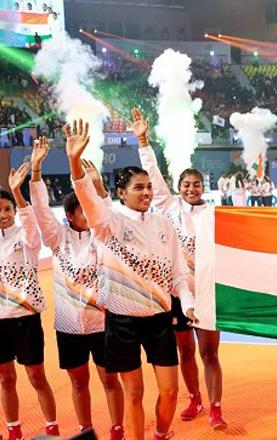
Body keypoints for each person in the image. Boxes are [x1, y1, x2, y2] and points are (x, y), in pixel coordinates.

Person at [66, 119, 197, 440]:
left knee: (169, 391)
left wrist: (189, 304)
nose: (147, 193)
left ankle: (162, 434)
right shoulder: (108, 223)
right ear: (120, 193)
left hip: (161, 320)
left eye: (149, 187)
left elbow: (179, 273)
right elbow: (87, 197)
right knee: (134, 393)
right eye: (138, 188)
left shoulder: (164, 224)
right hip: (122, 322)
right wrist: (74, 162)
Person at [132, 108, 225, 430]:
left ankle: (215, 407)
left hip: (208, 291)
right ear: (179, 186)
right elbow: (152, 173)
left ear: (203, 186)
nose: (190, 189)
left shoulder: (214, 214)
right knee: (185, 350)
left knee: (210, 353)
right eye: (186, 184)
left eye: (196, 184)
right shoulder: (169, 205)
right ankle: (195, 397)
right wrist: (143, 140)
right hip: (176, 292)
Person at [29, 137, 124, 439]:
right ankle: (85, 430)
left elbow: (107, 214)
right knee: (78, 382)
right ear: (70, 215)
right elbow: (42, 211)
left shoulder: (102, 235)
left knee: (110, 380)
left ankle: (118, 428)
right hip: (68, 326)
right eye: (83, 209)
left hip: (103, 323)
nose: (89, 213)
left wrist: (98, 190)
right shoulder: (57, 239)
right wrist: (35, 172)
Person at [0, 162, 60, 440]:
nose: (3, 215)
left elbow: (30, 221)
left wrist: (17, 192)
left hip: (26, 318)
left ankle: (52, 426)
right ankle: (13, 429)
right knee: (6, 379)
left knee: (37, 377)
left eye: (7, 209)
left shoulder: (27, 238)